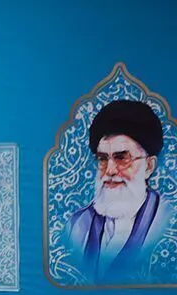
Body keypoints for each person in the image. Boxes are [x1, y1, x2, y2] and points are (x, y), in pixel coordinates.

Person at [64, 99, 170, 284]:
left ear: (149, 166)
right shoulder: (77, 226)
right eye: (103, 159)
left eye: (122, 158)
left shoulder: (168, 223)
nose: (110, 170)